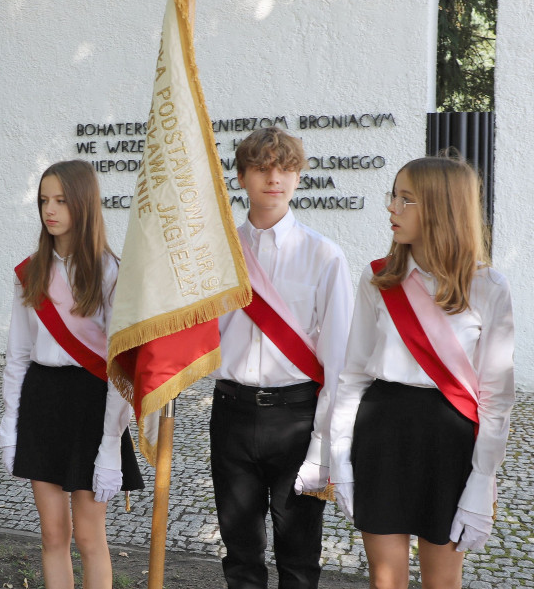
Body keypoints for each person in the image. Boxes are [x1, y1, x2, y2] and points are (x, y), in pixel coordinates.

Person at [329, 155, 514, 589]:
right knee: (385, 581)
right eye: (393, 196)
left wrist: (482, 481)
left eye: (406, 199)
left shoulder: (488, 287)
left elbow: (496, 397)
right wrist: (338, 456)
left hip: (450, 439)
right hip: (382, 428)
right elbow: (353, 374)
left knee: (442, 582)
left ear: (441, 208)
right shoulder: (378, 278)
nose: (392, 208)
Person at [210, 128, 353, 589]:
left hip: (296, 417)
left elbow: (338, 363)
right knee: (240, 553)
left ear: (297, 176)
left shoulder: (324, 256)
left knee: (299, 556)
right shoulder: (216, 254)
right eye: (262, 167)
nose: (274, 178)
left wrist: (324, 444)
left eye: (285, 168)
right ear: (241, 176)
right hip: (231, 411)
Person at [0, 159, 144, 589]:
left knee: (88, 536)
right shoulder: (31, 272)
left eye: (61, 200)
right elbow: (18, 353)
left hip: (92, 400)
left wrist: (110, 447)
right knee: (52, 534)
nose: (50, 209)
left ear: (83, 203)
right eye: (44, 200)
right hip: (43, 398)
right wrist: (10, 422)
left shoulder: (110, 271)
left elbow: (120, 368)